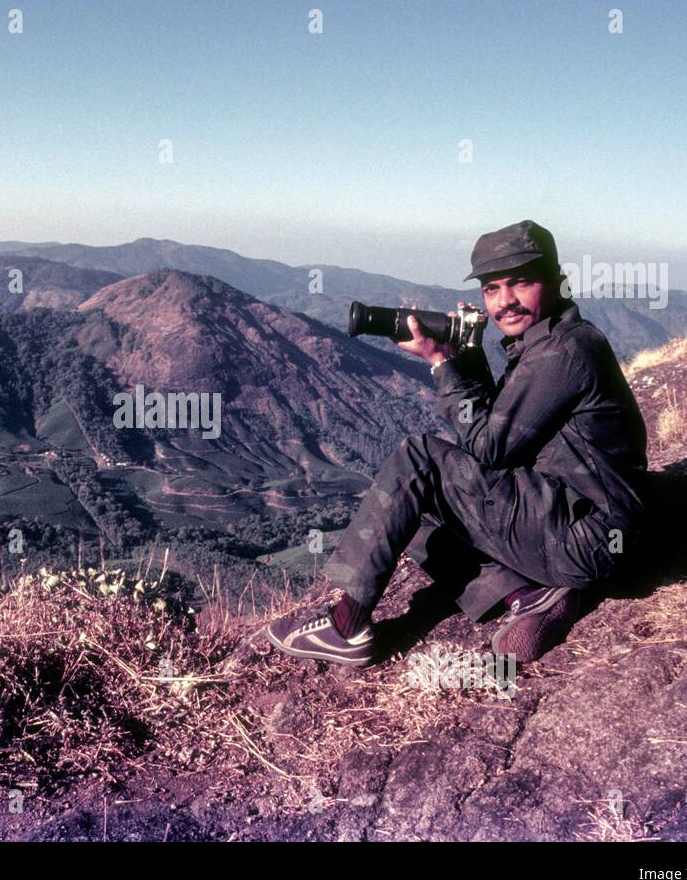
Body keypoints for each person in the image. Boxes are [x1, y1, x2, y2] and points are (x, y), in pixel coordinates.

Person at [267, 220, 649, 665]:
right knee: (410, 512)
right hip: (580, 525)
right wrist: (467, 356)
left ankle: (346, 627)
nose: (504, 301)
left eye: (521, 282)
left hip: (587, 535)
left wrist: (440, 365)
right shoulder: (547, 342)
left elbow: (490, 450)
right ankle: (528, 597)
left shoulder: (563, 352)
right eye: (492, 289)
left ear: (556, 280)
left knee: (417, 460)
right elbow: (505, 437)